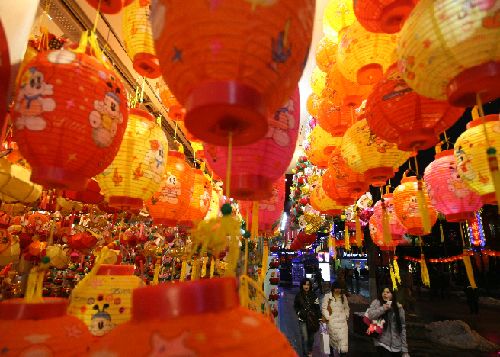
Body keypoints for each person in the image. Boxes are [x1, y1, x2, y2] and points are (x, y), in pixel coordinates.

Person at [366, 287, 410, 357]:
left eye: (388, 292)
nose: (385, 294)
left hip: (396, 346)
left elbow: (402, 328)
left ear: (393, 295)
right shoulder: (377, 302)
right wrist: (383, 308)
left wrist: (404, 349)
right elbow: (370, 315)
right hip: (382, 343)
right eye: (383, 292)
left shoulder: (398, 307)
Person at [294, 278, 320, 357]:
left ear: (310, 286)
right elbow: (296, 306)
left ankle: (309, 350)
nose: (306, 286)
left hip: (312, 320)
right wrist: (299, 312)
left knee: (311, 338)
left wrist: (319, 317)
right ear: (302, 285)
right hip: (302, 319)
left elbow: (317, 307)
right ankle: (306, 354)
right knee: (305, 337)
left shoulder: (314, 295)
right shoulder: (298, 295)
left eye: (308, 284)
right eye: (304, 284)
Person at [322, 281, 349, 357]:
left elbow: (346, 308)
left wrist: (346, 315)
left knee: (343, 344)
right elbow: (324, 308)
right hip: (332, 323)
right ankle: (331, 354)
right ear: (333, 288)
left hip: (343, 323)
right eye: (336, 288)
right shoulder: (328, 296)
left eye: (339, 288)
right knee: (332, 341)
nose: (338, 290)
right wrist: (328, 317)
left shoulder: (343, 297)